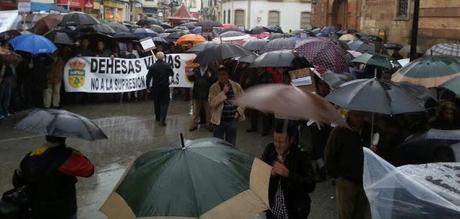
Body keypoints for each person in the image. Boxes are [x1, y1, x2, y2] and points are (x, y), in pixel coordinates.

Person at [12, 135, 94, 219]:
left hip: (38, 211)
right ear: (64, 138)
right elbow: (89, 170)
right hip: (65, 211)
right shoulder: (69, 157)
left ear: (46, 137)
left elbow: (17, 182)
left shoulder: (31, 156)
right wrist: (78, 154)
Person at [262, 120, 315, 219]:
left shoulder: (301, 155)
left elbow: (310, 185)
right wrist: (270, 173)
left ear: (291, 140)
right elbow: (260, 173)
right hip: (273, 208)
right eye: (275, 140)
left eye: (281, 142)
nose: (277, 145)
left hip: (294, 211)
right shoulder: (270, 150)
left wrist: (288, 174)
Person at [325, 110, 371, 219]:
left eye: (361, 116)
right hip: (346, 180)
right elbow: (329, 154)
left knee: (360, 213)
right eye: (356, 115)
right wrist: (336, 175)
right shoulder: (339, 131)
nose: (359, 119)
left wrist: (374, 149)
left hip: (364, 179)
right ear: (349, 114)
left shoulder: (369, 129)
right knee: (346, 214)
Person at [208, 65, 245, 146]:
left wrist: (238, 112)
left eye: (224, 74)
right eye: (220, 74)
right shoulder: (213, 88)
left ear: (228, 75)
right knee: (218, 145)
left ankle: (229, 158)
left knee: (231, 145)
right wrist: (223, 93)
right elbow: (212, 103)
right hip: (218, 121)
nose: (222, 77)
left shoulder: (236, 86)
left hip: (232, 120)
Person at [146, 52, 174, 126]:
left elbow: (148, 77)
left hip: (156, 87)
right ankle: (163, 118)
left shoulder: (153, 66)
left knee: (157, 102)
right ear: (163, 57)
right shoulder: (167, 66)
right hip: (165, 87)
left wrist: (148, 86)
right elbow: (172, 74)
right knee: (164, 103)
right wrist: (170, 81)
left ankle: (158, 117)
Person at [188, 64, 216, 132]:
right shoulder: (196, 69)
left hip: (207, 93)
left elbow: (215, 80)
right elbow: (192, 80)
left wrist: (210, 77)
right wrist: (190, 76)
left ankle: (209, 124)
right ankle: (194, 124)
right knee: (196, 111)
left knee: (208, 111)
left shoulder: (211, 70)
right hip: (197, 93)